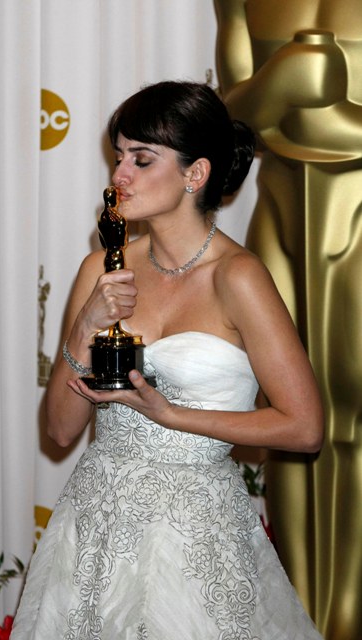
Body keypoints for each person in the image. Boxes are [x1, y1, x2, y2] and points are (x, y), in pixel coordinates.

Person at [11, 81, 324, 639]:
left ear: (194, 173)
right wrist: (84, 327)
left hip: (197, 536)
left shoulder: (239, 277)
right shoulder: (101, 270)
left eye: (141, 159)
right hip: (97, 526)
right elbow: (59, 431)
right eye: (118, 157)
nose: (119, 175)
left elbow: (304, 428)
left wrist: (170, 414)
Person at [216, 2, 362, 636]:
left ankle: (348, 615)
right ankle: (299, 615)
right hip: (279, 214)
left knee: (353, 415)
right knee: (287, 422)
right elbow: (232, 119)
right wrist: (283, 81)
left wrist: (323, 112)